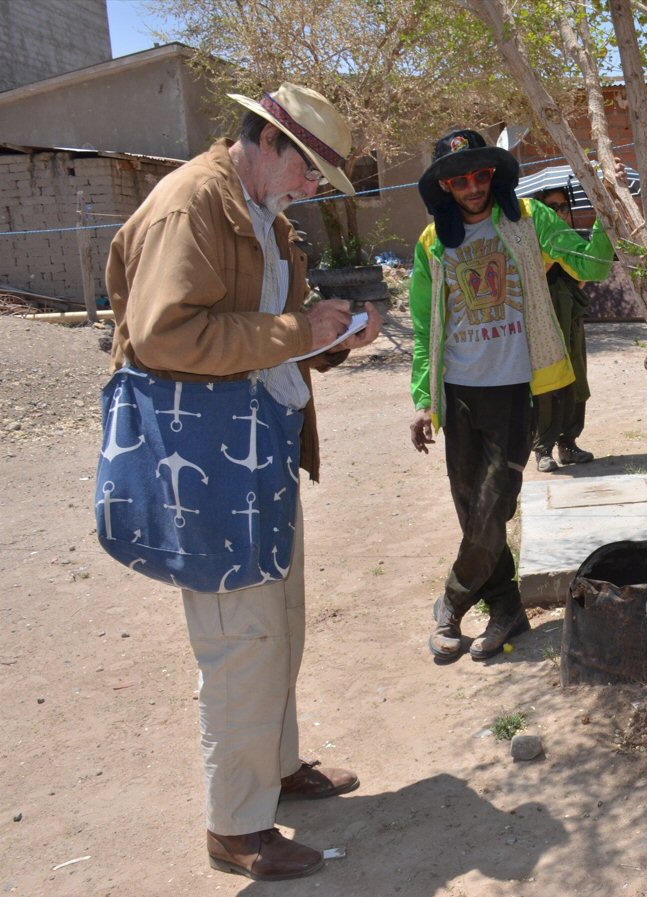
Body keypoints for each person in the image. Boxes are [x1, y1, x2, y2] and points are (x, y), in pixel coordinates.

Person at [105, 82, 382, 881]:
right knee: (240, 639)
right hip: (211, 467)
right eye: (308, 172)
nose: (308, 189)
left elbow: (267, 334)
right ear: (272, 143)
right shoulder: (190, 205)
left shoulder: (262, 214)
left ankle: (277, 771)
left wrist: (329, 337)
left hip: (255, 448)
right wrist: (300, 328)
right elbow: (165, 337)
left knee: (277, 621)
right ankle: (235, 826)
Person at [409, 130, 617, 663]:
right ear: (444, 186)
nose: (473, 187)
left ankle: (452, 604)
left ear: (495, 175)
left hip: (514, 389)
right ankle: (507, 611)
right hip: (457, 392)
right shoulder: (433, 241)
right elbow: (423, 325)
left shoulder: (529, 219)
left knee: (494, 501)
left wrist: (611, 221)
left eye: (482, 174)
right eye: (460, 179)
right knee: (472, 510)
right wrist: (422, 397)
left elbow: (591, 267)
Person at [531, 186, 596, 472]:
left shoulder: (574, 241)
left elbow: (580, 281)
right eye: (552, 208)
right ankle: (542, 448)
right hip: (544, 322)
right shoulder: (533, 242)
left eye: (563, 208)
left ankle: (568, 443)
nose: (559, 213)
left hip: (571, 319)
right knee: (547, 384)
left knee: (576, 379)